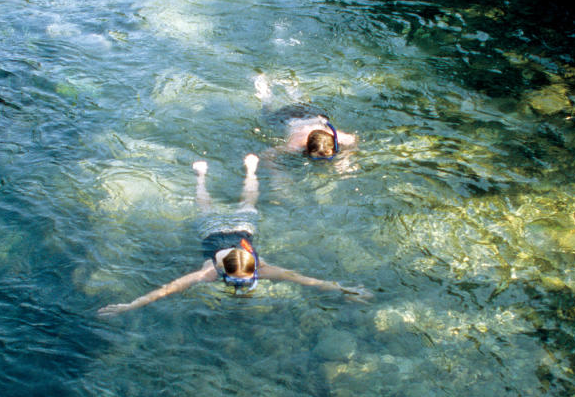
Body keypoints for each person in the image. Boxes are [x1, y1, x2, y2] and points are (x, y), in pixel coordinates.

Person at [97, 154, 371, 316]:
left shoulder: (248, 270)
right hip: (218, 229)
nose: (241, 284)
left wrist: (345, 289)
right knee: (229, 203)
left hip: (232, 229)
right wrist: (129, 305)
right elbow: (166, 290)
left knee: (241, 204)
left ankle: (226, 172)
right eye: (241, 280)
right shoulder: (215, 273)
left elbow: (308, 281)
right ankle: (205, 175)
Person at [254, 73, 357, 160]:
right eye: (317, 158)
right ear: (306, 149)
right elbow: (267, 155)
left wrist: (344, 161)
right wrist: (277, 176)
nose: (323, 161)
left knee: (301, 104)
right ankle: (263, 91)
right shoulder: (295, 146)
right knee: (266, 114)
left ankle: (290, 85)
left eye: (328, 156)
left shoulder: (337, 137)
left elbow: (353, 139)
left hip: (311, 115)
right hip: (288, 117)